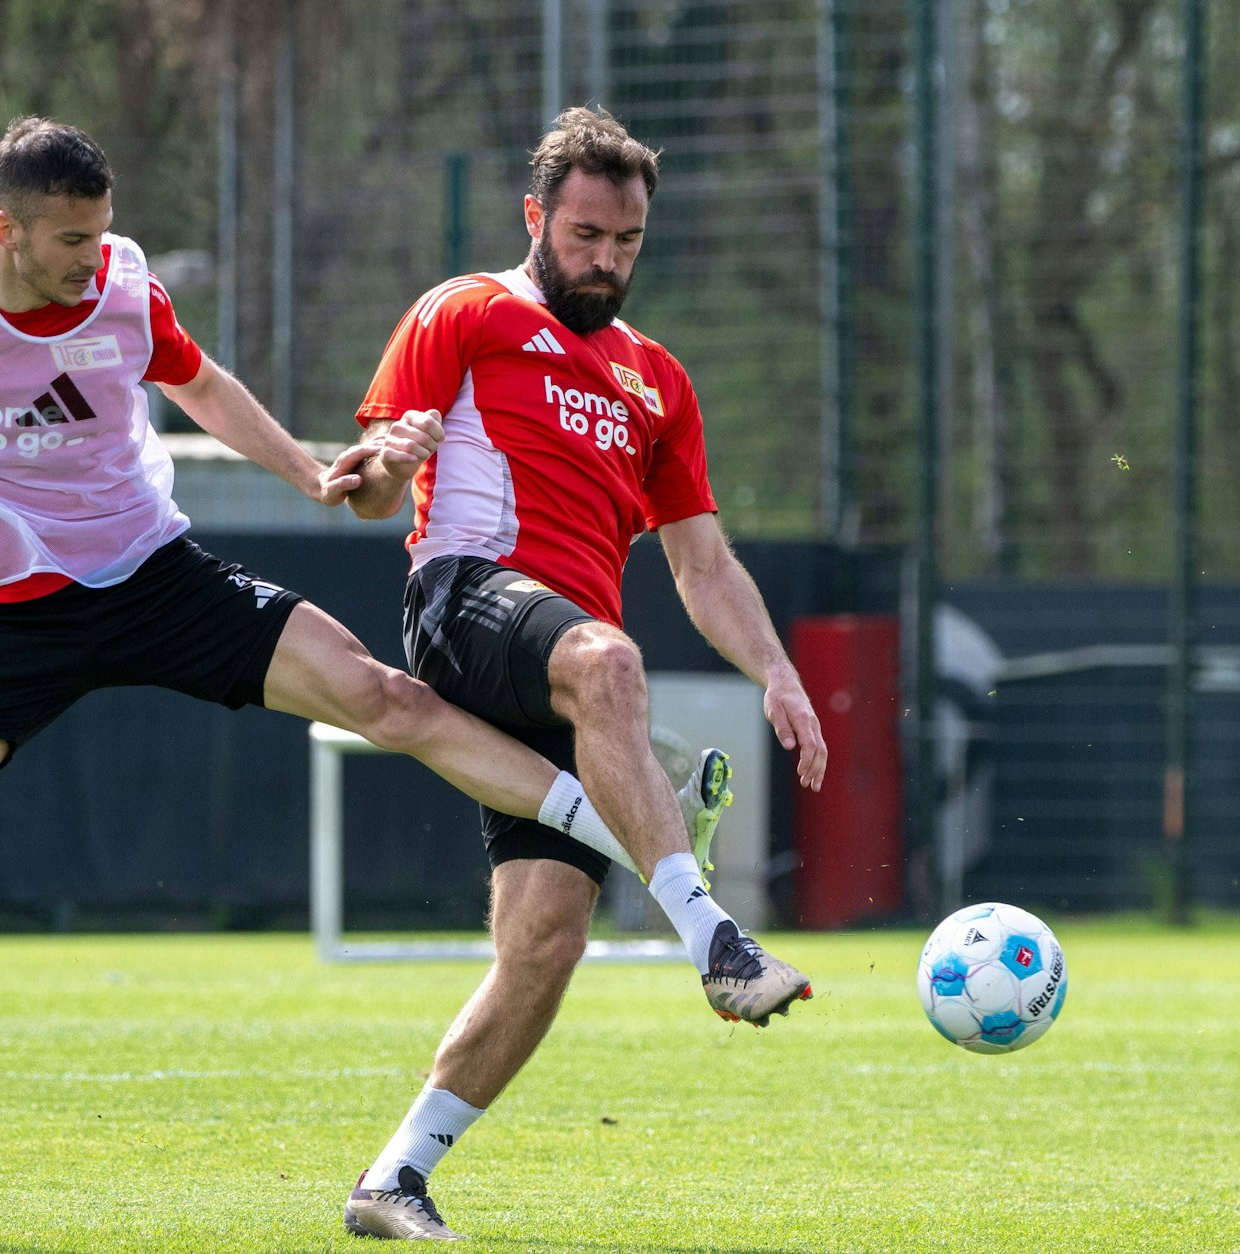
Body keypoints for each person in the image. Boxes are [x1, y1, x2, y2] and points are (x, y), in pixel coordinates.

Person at [0, 116, 673, 1226]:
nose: (92, 260)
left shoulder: (122, 282)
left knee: (385, 697)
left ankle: (626, 833)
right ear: (3, 229)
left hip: (151, 577)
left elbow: (197, 380)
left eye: (101, 235)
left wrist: (303, 473)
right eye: (67, 244)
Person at [337, 107, 829, 1240]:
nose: (604, 260)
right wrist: (379, 468)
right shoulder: (463, 312)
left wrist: (775, 672)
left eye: (626, 242)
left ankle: (392, 1179)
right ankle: (713, 935)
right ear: (535, 218)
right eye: (585, 235)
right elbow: (366, 489)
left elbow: (702, 562)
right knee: (608, 659)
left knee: (544, 944)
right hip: (464, 602)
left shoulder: (656, 379)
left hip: (566, 669)